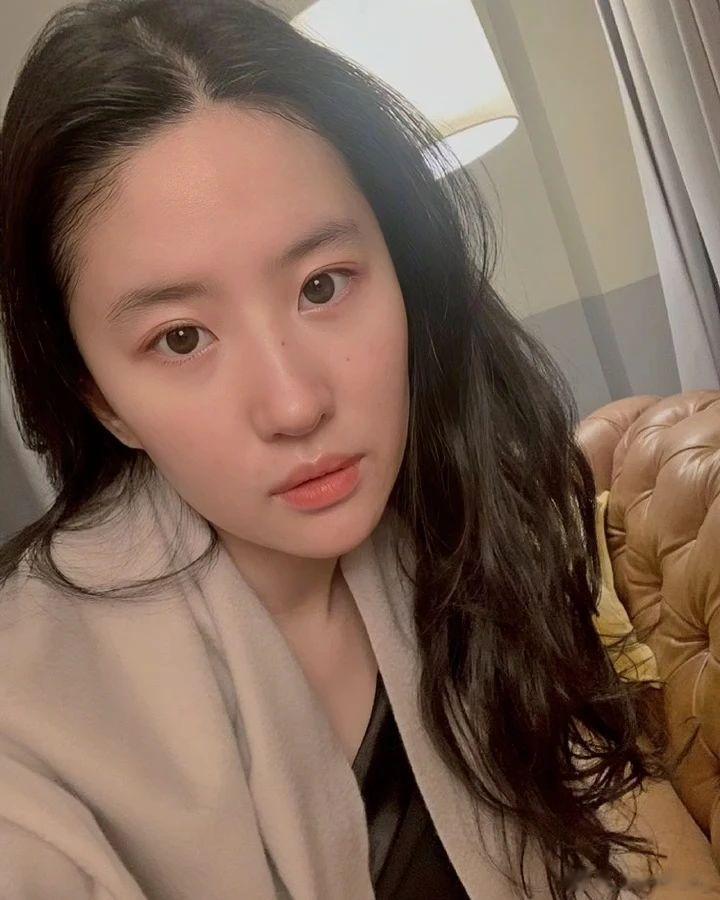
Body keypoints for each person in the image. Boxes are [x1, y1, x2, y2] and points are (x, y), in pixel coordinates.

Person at [0, 1, 717, 897]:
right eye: (181, 338)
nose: (296, 404)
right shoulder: (31, 736)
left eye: (322, 286)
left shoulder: (466, 513)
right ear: (102, 399)